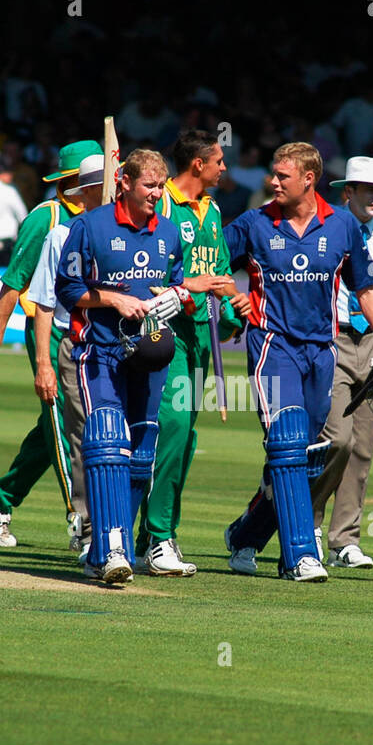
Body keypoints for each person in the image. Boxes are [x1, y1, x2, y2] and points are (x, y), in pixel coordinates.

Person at [218, 142, 373, 583]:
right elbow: (212, 261)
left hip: (321, 352)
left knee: (322, 447)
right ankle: (300, 555)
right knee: (289, 440)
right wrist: (230, 297)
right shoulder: (255, 222)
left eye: (282, 176)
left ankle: (246, 533)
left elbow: (367, 289)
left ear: (308, 179)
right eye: (273, 175)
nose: (272, 182)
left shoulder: (342, 227)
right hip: (271, 346)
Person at [55, 148, 202, 584]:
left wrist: (178, 296)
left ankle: (106, 550)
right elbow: (68, 290)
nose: (157, 194)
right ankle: (112, 546)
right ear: (124, 182)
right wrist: (113, 298)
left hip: (150, 356)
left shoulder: (170, 233)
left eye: (160, 186)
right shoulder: (89, 227)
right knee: (106, 444)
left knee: (141, 453)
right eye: (148, 187)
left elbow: (178, 286)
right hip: (98, 350)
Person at [0, 139, 101, 549]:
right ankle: (82, 524)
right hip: (53, 330)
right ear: (79, 181)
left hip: (95, 333)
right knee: (67, 429)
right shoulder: (47, 218)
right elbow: (14, 281)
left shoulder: (109, 217)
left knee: (57, 426)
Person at [134, 129, 243, 576]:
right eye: (219, 161)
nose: (224, 168)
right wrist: (177, 293)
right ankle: (159, 539)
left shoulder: (213, 211)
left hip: (200, 334)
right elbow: (145, 264)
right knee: (172, 430)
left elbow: (217, 270)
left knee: (185, 439)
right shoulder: (160, 204)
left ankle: (149, 540)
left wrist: (235, 308)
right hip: (166, 334)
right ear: (198, 164)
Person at [309, 156, 373, 571]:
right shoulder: (328, 226)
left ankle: (344, 540)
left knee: (363, 447)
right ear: (347, 192)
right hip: (332, 337)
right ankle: (307, 527)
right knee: (336, 438)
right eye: (369, 189)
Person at [22, 154, 107, 563]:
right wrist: (43, 364)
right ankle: (90, 529)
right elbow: (41, 303)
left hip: (127, 352)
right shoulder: (60, 232)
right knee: (82, 439)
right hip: (77, 345)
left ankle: (130, 530)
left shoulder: (146, 231)